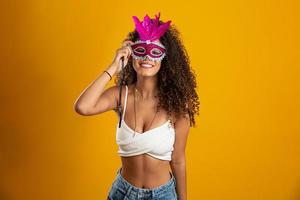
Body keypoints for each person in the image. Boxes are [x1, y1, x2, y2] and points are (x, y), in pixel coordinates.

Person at [74, 12, 200, 200]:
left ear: (165, 58)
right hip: (123, 193)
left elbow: (178, 160)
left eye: (155, 52)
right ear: (131, 53)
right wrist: (114, 67)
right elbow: (83, 107)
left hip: (163, 195)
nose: (147, 57)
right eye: (140, 50)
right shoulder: (120, 95)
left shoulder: (177, 106)